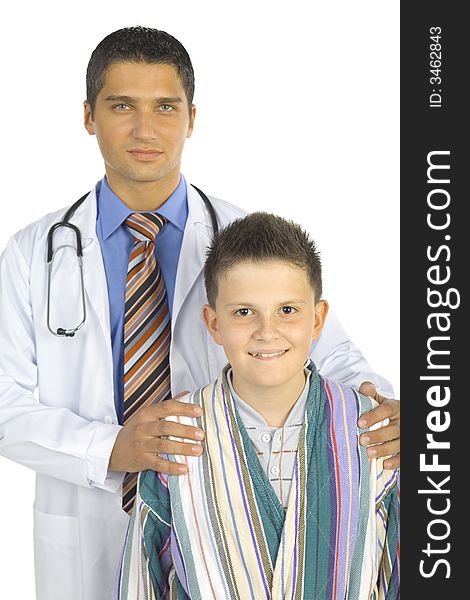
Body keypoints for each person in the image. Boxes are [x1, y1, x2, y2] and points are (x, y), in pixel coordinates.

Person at [0, 26, 400, 600]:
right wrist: (111, 448)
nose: (145, 129)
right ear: (89, 116)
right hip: (85, 519)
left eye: (166, 106)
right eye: (122, 106)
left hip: (212, 517)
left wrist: (384, 415)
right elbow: (4, 401)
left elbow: (324, 348)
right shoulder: (30, 254)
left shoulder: (245, 242)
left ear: (192, 117)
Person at [118, 212, 399, 600]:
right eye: (244, 312)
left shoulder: (370, 431)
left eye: (287, 310)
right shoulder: (179, 439)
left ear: (317, 320)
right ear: (213, 324)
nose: (267, 332)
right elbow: (143, 581)